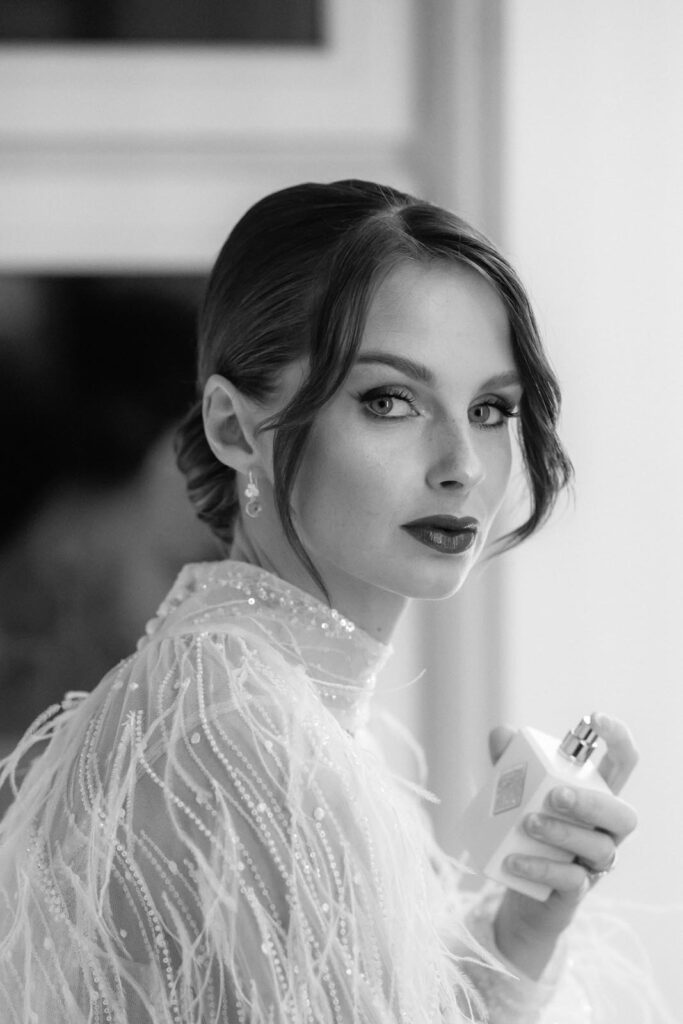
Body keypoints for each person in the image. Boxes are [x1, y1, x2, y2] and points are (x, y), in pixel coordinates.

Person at [0, 180, 646, 1022]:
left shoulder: (259, 701)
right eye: (389, 401)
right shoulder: (238, 731)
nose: (462, 464)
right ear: (234, 429)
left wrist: (516, 933)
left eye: (490, 408)